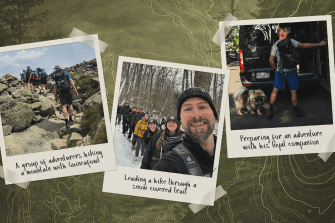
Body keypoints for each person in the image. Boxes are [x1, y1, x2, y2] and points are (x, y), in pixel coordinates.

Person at [153, 87, 218, 177]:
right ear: (181, 120)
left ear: (214, 114)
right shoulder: (170, 165)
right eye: (187, 109)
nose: (196, 115)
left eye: (202, 107)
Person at [268, 27, 327, 118]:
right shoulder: (291, 41)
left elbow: (271, 60)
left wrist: (275, 68)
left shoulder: (275, 45)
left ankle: (270, 111)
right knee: (293, 92)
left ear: (277, 35)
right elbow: (304, 45)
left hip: (280, 71)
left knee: (274, 91)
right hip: (291, 71)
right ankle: (296, 112)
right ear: (285, 34)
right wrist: (319, 44)